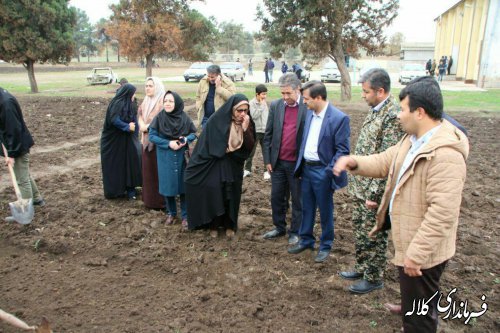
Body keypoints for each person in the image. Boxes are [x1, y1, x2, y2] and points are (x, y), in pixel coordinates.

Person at [333, 78, 469, 333]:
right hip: (409, 238)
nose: (398, 114)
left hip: (423, 251)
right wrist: (354, 162)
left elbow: (443, 213)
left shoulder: (445, 154)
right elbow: (385, 161)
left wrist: (415, 256)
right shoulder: (413, 139)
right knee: (415, 299)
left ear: (420, 112)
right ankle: (410, 304)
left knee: (419, 320)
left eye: (403, 109)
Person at [339, 68, 405, 294]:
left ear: (381, 91)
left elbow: (388, 161)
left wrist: (375, 195)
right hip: (361, 185)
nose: (363, 95)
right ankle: (362, 266)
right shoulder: (376, 109)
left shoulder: (392, 115)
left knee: (373, 233)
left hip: (373, 190)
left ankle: (374, 276)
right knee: (360, 229)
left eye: (366, 92)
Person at [288, 81, 350, 263]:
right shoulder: (309, 114)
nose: (303, 102)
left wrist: (328, 172)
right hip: (306, 169)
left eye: (306, 99)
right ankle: (306, 240)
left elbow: (343, 150)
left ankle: (325, 245)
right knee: (306, 207)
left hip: (323, 171)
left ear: (319, 98)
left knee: (325, 210)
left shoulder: (339, 118)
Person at [185, 94, 255, 238]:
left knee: (232, 195)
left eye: (245, 111)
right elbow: (205, 145)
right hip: (216, 164)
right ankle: (214, 225)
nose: (242, 114)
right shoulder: (217, 120)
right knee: (217, 194)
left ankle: (230, 225)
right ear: (232, 109)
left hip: (235, 166)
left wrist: (246, 129)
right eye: (239, 110)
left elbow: (249, 148)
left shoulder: (247, 123)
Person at [262, 73, 307, 244]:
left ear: (298, 90)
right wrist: (267, 160)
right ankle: (279, 227)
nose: (285, 97)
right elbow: (268, 135)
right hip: (278, 163)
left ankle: (295, 231)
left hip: (297, 164)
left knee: (297, 199)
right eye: (282, 93)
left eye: (288, 93)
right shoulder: (276, 106)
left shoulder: (306, 106)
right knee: (277, 197)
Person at [149, 91, 197, 229]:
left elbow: (193, 133)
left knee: (183, 187)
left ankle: (185, 216)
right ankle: (171, 213)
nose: (168, 104)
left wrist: (185, 140)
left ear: (176, 103)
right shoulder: (159, 118)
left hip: (182, 156)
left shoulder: (184, 117)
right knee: (168, 186)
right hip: (165, 156)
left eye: (170, 101)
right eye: (165, 101)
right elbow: (152, 135)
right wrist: (168, 143)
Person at [0, 87, 45, 221]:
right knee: (24, 174)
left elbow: (14, 130)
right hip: (14, 144)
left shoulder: (6, 103)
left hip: (17, 146)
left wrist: (12, 154)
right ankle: (37, 199)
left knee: (21, 180)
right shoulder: (2, 97)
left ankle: (26, 211)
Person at [100, 83, 142, 200]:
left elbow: (133, 118)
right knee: (115, 165)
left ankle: (130, 189)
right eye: (133, 94)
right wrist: (127, 127)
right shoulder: (117, 103)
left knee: (129, 163)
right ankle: (115, 191)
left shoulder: (129, 104)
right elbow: (114, 119)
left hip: (125, 141)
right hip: (112, 142)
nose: (134, 96)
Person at [137, 77, 166, 209]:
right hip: (145, 140)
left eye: (150, 86)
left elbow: (162, 120)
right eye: (146, 86)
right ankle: (149, 200)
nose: (147, 88)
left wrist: (148, 127)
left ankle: (159, 201)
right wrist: (142, 125)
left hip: (157, 142)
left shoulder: (163, 101)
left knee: (156, 171)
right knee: (147, 171)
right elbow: (140, 116)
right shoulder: (145, 100)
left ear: (157, 87)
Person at [195, 64, 236, 128]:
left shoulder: (228, 83)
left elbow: (232, 99)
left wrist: (219, 88)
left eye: (212, 77)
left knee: (218, 137)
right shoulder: (203, 81)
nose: (210, 79)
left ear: (219, 75)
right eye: (209, 76)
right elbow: (198, 96)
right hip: (206, 118)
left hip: (221, 119)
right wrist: (198, 106)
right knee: (206, 137)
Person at [244, 84, 270, 179]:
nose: (265, 96)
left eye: (266, 94)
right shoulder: (251, 103)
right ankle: (247, 170)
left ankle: (266, 171)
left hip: (265, 131)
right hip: (255, 131)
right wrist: (262, 106)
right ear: (257, 94)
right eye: (263, 94)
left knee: (266, 152)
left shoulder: (264, 103)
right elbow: (254, 116)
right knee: (251, 151)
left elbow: (267, 116)